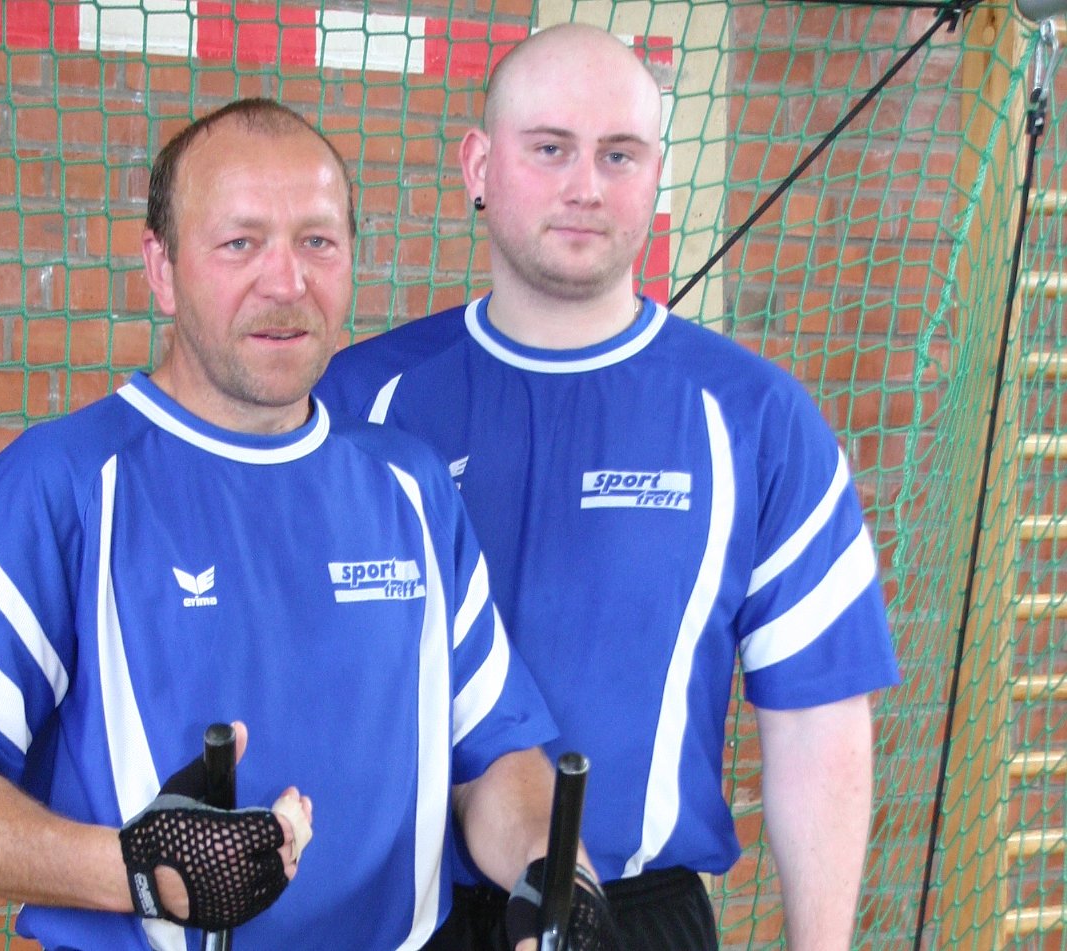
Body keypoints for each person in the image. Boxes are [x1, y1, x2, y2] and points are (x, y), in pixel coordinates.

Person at [0, 98, 606, 951]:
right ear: (161, 267)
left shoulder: (411, 485)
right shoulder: (58, 485)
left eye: (317, 241)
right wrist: (140, 871)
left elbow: (496, 758)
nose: (286, 282)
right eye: (240, 243)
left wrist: (559, 878)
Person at [316, 23, 902, 951]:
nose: (585, 185)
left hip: (639, 916)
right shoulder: (359, 403)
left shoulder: (756, 419)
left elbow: (816, 720)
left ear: (656, 174)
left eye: (619, 154)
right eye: (550, 149)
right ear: (479, 166)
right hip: (402, 918)